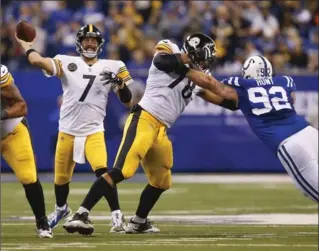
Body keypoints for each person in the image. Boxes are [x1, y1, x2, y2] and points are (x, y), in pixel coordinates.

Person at [62, 33, 237, 235]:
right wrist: (190, 66)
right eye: (204, 55)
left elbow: (227, 103)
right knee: (122, 171)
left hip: (161, 129)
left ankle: (138, 222)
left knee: (161, 181)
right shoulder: (170, 50)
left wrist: (236, 95)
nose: (207, 61)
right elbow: (162, 61)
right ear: (193, 51)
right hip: (144, 119)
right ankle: (81, 215)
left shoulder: (198, 78)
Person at [15, 24, 134, 233]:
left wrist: (121, 84)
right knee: (61, 179)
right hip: (67, 130)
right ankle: (61, 209)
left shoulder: (114, 66)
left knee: (102, 172)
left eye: (94, 40)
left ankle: (116, 214)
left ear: (100, 44)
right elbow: (35, 60)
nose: (90, 43)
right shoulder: (66, 61)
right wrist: (27, 45)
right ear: (80, 42)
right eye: (87, 40)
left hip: (93, 130)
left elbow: (127, 101)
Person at [197, 55, 318, 202]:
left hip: (289, 142)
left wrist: (197, 84)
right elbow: (292, 99)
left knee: (312, 189)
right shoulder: (285, 80)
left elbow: (222, 93)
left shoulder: (242, 85)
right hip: (310, 133)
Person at [1, 64, 52, 238]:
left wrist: (2, 114)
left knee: (28, 177)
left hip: (10, 130)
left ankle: (42, 223)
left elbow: (22, 107)